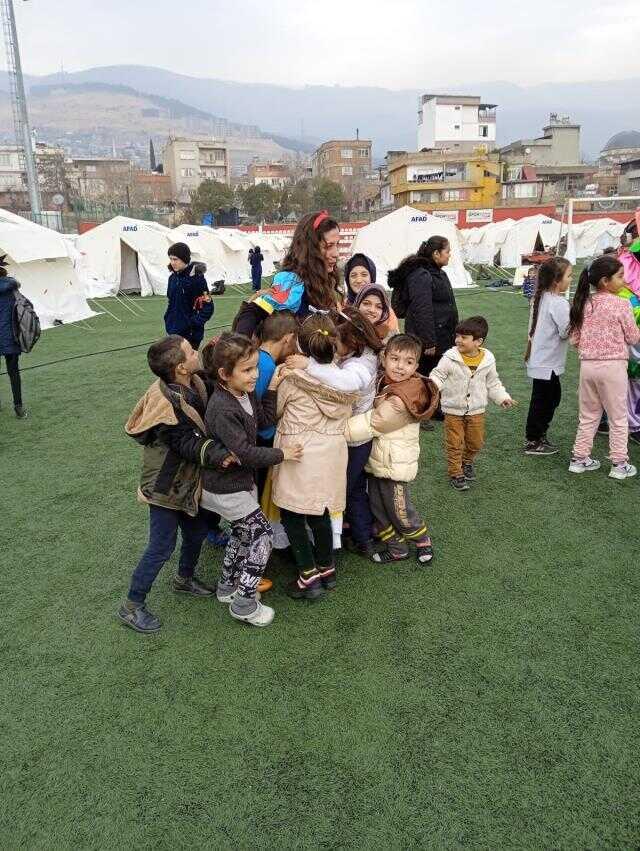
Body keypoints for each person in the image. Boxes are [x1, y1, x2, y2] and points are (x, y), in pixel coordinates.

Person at [117, 336, 233, 634]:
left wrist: (212, 350)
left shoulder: (188, 383)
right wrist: (224, 455)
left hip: (183, 481)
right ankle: (131, 606)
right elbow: (186, 444)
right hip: (165, 486)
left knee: (195, 532)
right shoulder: (169, 407)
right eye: (192, 351)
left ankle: (184, 578)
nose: (197, 350)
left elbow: (206, 374)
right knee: (161, 545)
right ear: (181, 368)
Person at [201, 333, 303, 627]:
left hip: (237, 484)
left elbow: (264, 419)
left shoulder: (244, 394)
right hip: (224, 486)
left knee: (242, 533)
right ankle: (244, 603)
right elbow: (244, 453)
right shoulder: (222, 407)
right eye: (247, 370)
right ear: (224, 374)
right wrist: (283, 454)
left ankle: (227, 586)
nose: (254, 375)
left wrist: (271, 385)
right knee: (262, 535)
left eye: (256, 367)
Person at [272, 313, 357, 600]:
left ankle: (308, 576)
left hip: (300, 453)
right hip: (332, 453)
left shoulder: (291, 379)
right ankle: (327, 567)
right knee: (320, 510)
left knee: (293, 513)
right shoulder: (341, 380)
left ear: (299, 343)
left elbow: (276, 411)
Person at [287, 308, 383, 558]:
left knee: (344, 489)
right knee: (353, 488)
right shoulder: (358, 355)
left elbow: (344, 383)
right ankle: (361, 536)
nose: (333, 347)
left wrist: (309, 365)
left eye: (336, 342)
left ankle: (350, 540)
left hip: (355, 437)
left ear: (353, 341)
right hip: (353, 435)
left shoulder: (363, 363)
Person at [345, 333, 439, 565]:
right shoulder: (385, 381)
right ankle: (397, 548)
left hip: (395, 464)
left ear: (416, 366)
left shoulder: (406, 395)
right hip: (379, 460)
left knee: (400, 509)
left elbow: (374, 423)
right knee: (377, 507)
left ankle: (422, 540)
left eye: (408, 362)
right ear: (384, 358)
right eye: (395, 359)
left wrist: (335, 430)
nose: (400, 366)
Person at [568, 255, 640, 480]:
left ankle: (579, 459)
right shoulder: (622, 304)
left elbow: (574, 339)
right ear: (605, 281)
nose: (624, 279)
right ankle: (619, 464)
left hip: (588, 368)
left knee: (588, 416)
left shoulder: (583, 303)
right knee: (618, 417)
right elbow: (632, 336)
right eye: (620, 276)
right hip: (613, 367)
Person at [429, 316, 515, 491]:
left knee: (476, 442)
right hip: (453, 409)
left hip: (476, 410)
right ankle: (456, 473)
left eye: (464, 337)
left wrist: (502, 397)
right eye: (457, 336)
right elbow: (438, 375)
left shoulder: (488, 359)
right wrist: (431, 387)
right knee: (455, 443)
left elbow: (493, 382)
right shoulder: (449, 357)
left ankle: (466, 462)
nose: (458, 340)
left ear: (478, 342)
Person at [232, 211, 341, 338]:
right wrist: (240, 347)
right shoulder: (291, 280)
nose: (336, 253)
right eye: (328, 246)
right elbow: (252, 312)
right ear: (309, 249)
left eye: (337, 245)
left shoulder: (324, 280)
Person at [387, 235, 459, 379]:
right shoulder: (421, 275)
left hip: (442, 339)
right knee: (427, 381)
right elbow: (421, 309)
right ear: (436, 254)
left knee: (439, 381)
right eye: (447, 251)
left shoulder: (438, 273)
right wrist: (428, 342)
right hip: (429, 345)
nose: (449, 255)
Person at [523, 257, 572, 456]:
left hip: (541, 360)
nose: (571, 279)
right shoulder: (558, 302)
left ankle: (537, 435)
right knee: (545, 401)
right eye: (569, 275)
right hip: (547, 362)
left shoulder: (540, 297)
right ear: (556, 280)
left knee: (548, 398)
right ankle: (533, 439)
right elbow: (565, 332)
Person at [254, 310, 299, 498]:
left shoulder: (257, 358)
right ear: (288, 338)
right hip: (261, 440)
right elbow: (255, 407)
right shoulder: (266, 367)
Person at [164, 242, 212, 350]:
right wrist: (168, 318)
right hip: (172, 331)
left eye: (175, 259)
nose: (172, 262)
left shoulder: (197, 280)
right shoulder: (172, 279)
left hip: (190, 335)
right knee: (173, 365)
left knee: (189, 366)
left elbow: (208, 306)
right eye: (170, 259)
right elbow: (170, 301)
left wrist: (193, 323)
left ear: (184, 258)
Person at [0, 259, 26, 418]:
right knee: (13, 372)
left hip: (7, 334)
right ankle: (18, 407)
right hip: (10, 335)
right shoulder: (12, 288)